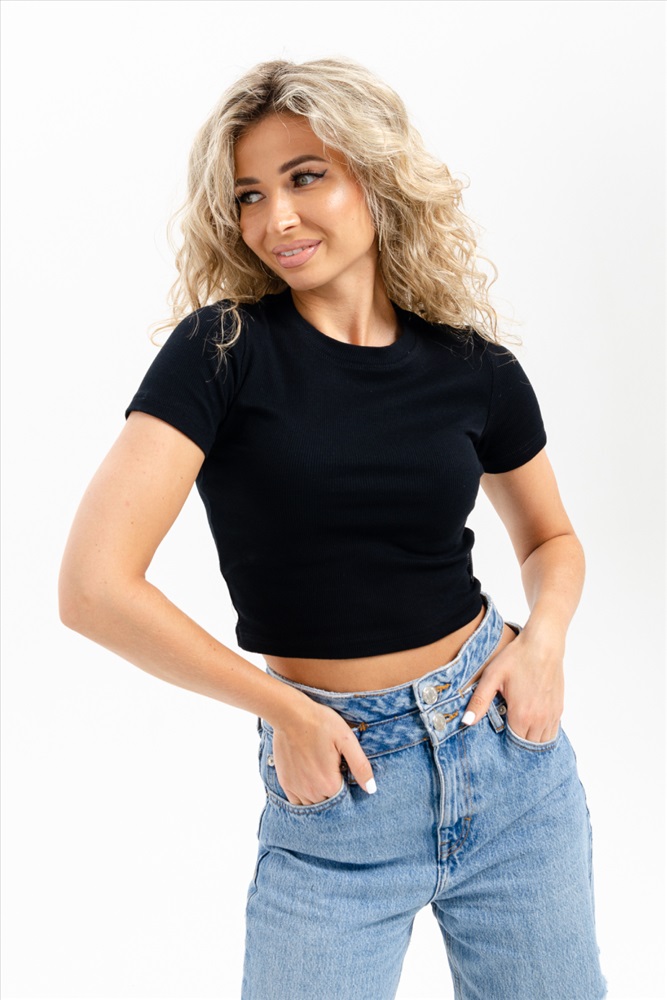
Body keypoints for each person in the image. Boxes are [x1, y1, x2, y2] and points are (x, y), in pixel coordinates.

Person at [59, 58, 607, 1000]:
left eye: (305, 177)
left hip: (507, 756)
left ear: (375, 176)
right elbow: (93, 589)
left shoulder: (474, 369)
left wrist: (544, 641)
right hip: (338, 779)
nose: (276, 218)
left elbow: (550, 540)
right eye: (249, 195)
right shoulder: (223, 352)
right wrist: (287, 711)